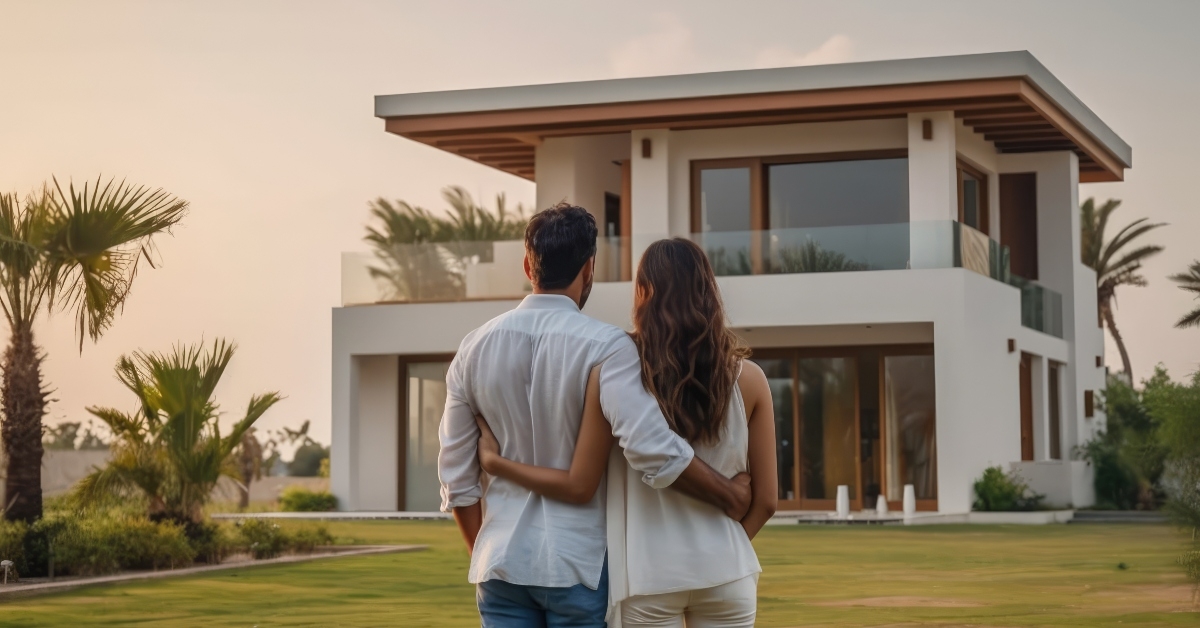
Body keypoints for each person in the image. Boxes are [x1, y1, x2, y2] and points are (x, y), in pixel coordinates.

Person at [437, 204, 753, 628]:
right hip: (579, 565)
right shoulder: (608, 347)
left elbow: (457, 479)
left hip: (499, 565)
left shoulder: (471, 350)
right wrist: (729, 494)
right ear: (589, 268)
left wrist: (492, 553)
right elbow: (650, 447)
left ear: (528, 265)